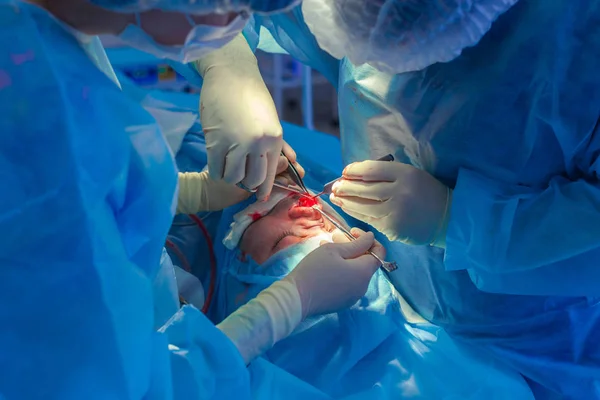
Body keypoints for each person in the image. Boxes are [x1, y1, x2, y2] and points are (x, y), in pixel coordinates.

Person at [0, 1, 384, 398]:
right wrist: (288, 304)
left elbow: (87, 187)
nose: (310, 215)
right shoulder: (40, 160)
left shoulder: (33, 50)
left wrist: (189, 191)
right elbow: (124, 387)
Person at [237, 1, 600, 398]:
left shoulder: (577, 38)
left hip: (530, 335)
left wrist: (457, 221)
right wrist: (229, 66)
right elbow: (231, 12)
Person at [203, 186, 535, 399]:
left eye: (329, 228)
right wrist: (293, 298)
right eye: (285, 243)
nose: (306, 211)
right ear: (236, 303)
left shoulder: (484, 379)